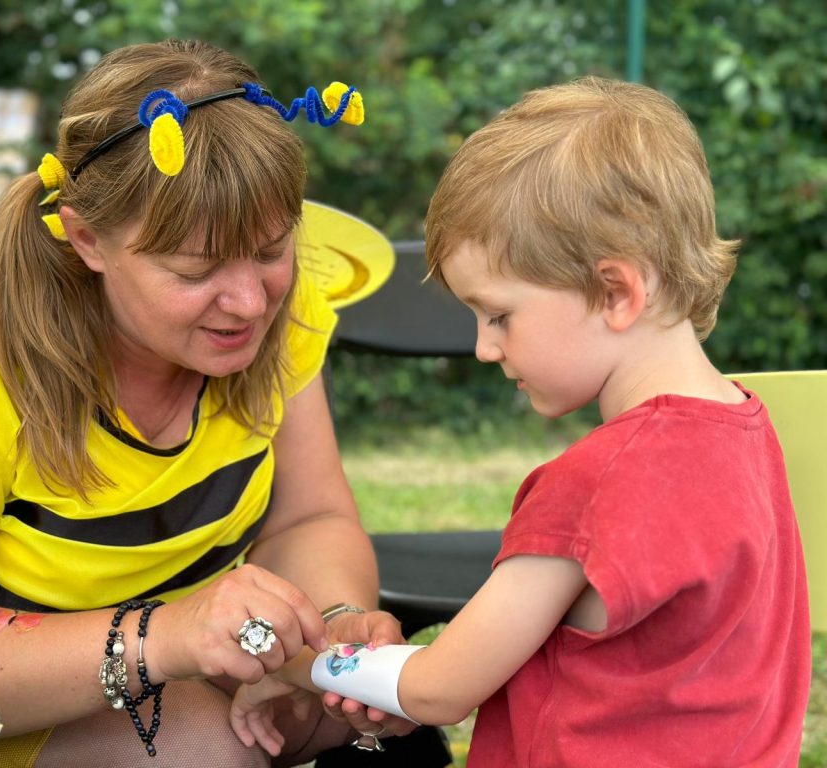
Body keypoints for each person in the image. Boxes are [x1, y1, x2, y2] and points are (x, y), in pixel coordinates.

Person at [0, 39, 422, 767]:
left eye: (270, 250)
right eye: (195, 269)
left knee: (347, 711)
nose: (250, 301)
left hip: (154, 654)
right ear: (87, 238)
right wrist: (162, 637)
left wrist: (334, 630)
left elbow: (310, 517)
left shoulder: (281, 306)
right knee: (200, 747)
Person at [229, 76, 811, 766]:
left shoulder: (595, 483)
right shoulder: (748, 432)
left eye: (499, 315)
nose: (484, 347)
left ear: (617, 291)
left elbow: (441, 687)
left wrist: (291, 669)